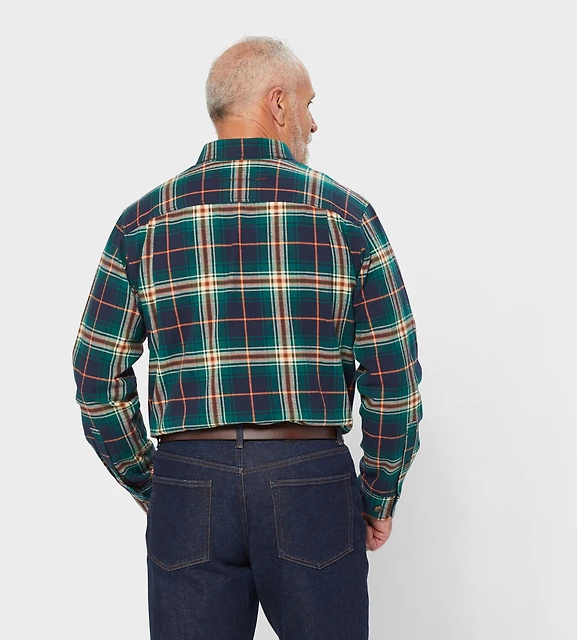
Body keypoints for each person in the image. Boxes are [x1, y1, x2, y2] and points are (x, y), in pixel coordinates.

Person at [72, 35, 423, 640]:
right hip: (309, 475)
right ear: (278, 103)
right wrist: (377, 493)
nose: (315, 122)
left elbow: (96, 376)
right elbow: (394, 380)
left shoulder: (143, 221)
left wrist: (158, 484)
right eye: (309, 103)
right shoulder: (346, 216)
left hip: (189, 476)